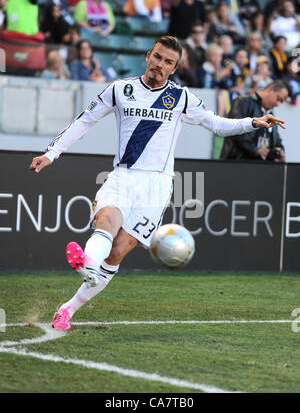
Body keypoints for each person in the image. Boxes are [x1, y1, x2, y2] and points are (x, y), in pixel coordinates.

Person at [29, 36, 286, 330]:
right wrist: (52, 153)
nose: (160, 65)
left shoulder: (181, 98)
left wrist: (252, 122)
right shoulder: (120, 89)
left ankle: (68, 308)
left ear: (174, 68)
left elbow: (217, 124)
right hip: (122, 176)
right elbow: (85, 120)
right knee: (107, 222)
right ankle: (87, 263)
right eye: (158, 57)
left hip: (156, 187)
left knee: (116, 253)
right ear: (148, 55)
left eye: (168, 62)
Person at [220, 80, 290, 161]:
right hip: (236, 163)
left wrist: (280, 151)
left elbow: (277, 140)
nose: (278, 104)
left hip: (260, 168)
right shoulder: (242, 101)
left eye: (281, 102)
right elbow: (234, 130)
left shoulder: (271, 114)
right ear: (270, 89)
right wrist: (256, 151)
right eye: (278, 98)